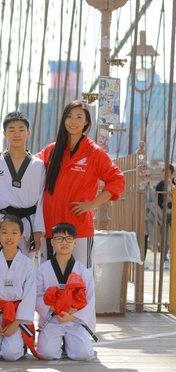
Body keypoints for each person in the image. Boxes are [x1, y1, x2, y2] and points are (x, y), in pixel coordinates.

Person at [37, 100, 125, 268]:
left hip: (79, 230)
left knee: (80, 281)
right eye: (69, 116)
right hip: (49, 227)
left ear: (86, 122)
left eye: (79, 117)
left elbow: (117, 180)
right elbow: (30, 166)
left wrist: (93, 204)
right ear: (63, 120)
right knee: (49, 282)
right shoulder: (51, 150)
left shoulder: (94, 153)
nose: (73, 121)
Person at [0, 111, 45, 256]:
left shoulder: (38, 165)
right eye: (11, 130)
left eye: (21, 130)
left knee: (27, 269)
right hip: (1, 224)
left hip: (28, 225)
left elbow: (41, 202)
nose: (16, 134)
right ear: (4, 133)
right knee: (0, 269)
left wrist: (38, 231)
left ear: (28, 132)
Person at [0, 215, 37, 361]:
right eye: (4, 232)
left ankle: (21, 345)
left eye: (14, 233)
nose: (9, 237)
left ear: (21, 237)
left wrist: (16, 323)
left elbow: (30, 296)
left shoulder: (28, 264)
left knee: (11, 354)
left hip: (17, 316)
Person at [36, 223, 96, 361]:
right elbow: (36, 295)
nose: (64, 242)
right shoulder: (43, 269)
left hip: (74, 320)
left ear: (75, 243)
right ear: (52, 242)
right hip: (51, 319)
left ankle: (68, 345)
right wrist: (51, 309)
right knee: (47, 354)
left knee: (84, 354)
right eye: (59, 239)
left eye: (69, 239)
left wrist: (72, 316)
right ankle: (58, 343)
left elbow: (90, 298)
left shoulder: (82, 271)